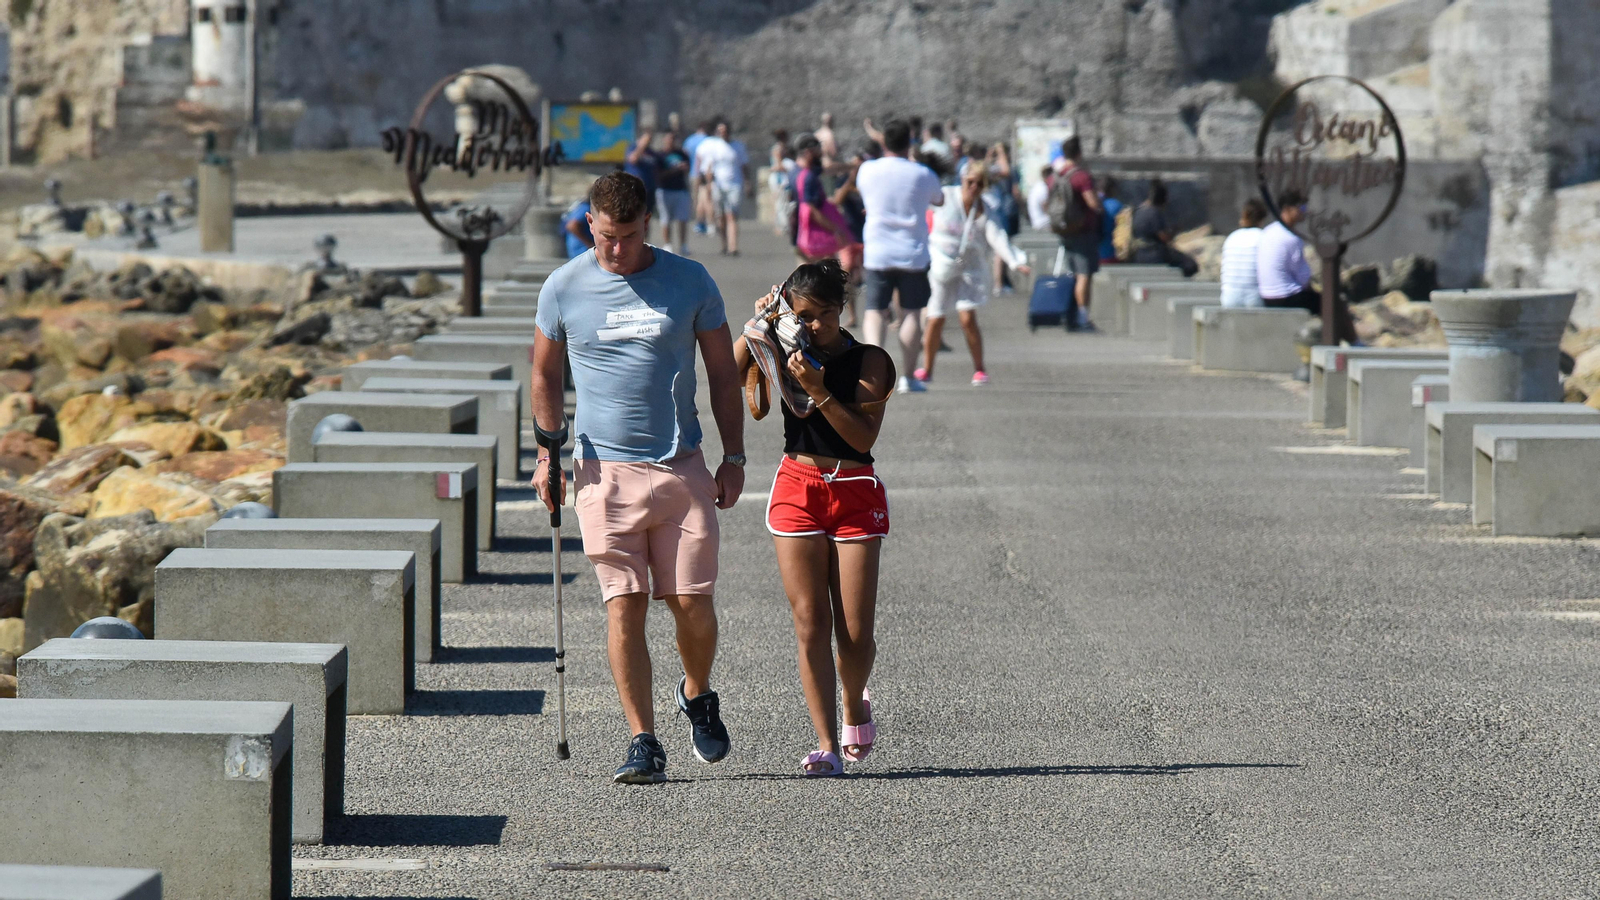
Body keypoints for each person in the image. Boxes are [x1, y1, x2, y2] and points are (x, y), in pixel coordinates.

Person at [531, 171, 747, 785]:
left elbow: (722, 373)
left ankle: (696, 692)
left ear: (646, 224)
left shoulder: (690, 280)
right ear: (589, 225)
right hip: (601, 472)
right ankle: (642, 739)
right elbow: (544, 375)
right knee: (623, 607)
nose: (616, 249)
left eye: (627, 236)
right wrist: (546, 455)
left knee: (692, 604)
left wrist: (734, 457)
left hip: (681, 467)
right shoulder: (563, 286)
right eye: (605, 237)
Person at [732, 259, 895, 776]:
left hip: (853, 488)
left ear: (842, 308)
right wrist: (760, 325)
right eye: (804, 315)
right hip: (797, 485)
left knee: (855, 633)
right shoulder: (786, 346)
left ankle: (853, 700)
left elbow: (862, 438)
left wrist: (820, 390)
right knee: (809, 622)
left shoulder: (870, 360)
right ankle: (826, 743)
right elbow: (729, 372)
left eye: (825, 313)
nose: (815, 325)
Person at [918, 164, 1030, 386]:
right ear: (962, 180)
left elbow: (997, 236)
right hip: (942, 265)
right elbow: (918, 206)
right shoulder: (945, 196)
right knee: (935, 317)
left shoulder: (985, 208)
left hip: (970, 268)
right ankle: (927, 369)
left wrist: (1015, 261)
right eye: (970, 182)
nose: (974, 187)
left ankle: (979, 369)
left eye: (980, 183)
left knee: (967, 318)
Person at [855, 118, 945, 394]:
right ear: (910, 142)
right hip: (912, 254)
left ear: (884, 141)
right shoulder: (922, 173)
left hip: (878, 252)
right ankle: (907, 376)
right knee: (911, 313)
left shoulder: (867, 170)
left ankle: (873, 375)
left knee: (875, 311)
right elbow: (939, 199)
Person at [1257, 188, 1359, 342]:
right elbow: (1304, 279)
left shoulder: (1268, 231)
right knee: (1334, 303)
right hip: (1285, 297)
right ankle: (1353, 343)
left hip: (1266, 296)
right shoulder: (1292, 237)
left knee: (1322, 301)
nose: (1304, 212)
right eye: (1301, 208)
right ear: (1288, 209)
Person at [1047, 136, 1103, 330]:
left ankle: (1071, 314)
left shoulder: (1055, 176)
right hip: (1082, 231)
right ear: (1079, 153)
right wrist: (1100, 205)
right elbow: (1092, 203)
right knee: (1084, 274)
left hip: (1063, 230)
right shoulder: (1081, 176)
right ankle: (1082, 317)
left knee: (1072, 272)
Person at [793, 134, 857, 264]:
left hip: (802, 233)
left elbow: (828, 169)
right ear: (808, 152)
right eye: (818, 149)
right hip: (812, 234)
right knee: (817, 271)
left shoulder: (803, 171)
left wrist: (852, 166)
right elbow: (810, 209)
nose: (821, 152)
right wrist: (834, 229)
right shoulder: (807, 176)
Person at [695, 120, 750, 256]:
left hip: (734, 184)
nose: (723, 133)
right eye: (720, 131)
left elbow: (744, 166)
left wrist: (747, 182)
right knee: (721, 217)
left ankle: (733, 246)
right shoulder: (714, 146)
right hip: (718, 184)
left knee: (732, 214)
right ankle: (724, 244)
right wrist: (709, 184)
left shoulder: (738, 146)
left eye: (725, 131)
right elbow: (709, 167)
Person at [1129, 179, 1198, 276]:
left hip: (1139, 255)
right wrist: (1173, 232)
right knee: (1190, 265)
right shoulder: (1154, 212)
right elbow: (1164, 237)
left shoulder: (1138, 210)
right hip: (1154, 255)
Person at [1220, 198, 1269, 308]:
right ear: (1262, 219)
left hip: (1229, 298)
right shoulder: (1263, 237)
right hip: (1255, 298)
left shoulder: (1231, 238)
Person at [656, 131, 693, 256]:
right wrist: (675, 169)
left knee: (682, 218)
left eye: (672, 139)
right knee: (665, 218)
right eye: (668, 139)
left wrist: (684, 168)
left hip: (680, 189)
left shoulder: (682, 154)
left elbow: (688, 169)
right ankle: (668, 244)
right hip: (665, 189)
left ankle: (683, 245)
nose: (670, 142)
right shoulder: (660, 156)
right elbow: (659, 175)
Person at [684, 121, 713, 235]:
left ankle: (700, 223)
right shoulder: (708, 140)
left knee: (697, 199)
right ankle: (708, 222)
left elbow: (685, 155)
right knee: (707, 199)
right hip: (706, 173)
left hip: (693, 173)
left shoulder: (690, 140)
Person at [769, 130, 797, 239]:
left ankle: (782, 225)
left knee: (783, 202)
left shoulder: (782, 148)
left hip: (781, 178)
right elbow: (778, 165)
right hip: (779, 179)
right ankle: (782, 226)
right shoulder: (778, 149)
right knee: (780, 202)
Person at [1098, 175, 1124, 266]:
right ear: (1113, 189)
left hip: (1091, 253)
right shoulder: (1117, 205)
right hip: (1111, 253)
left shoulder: (1092, 203)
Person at [1027, 165, 1053, 231]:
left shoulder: (1037, 186)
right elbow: (1046, 207)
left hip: (1036, 221)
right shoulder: (1043, 188)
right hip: (1042, 222)